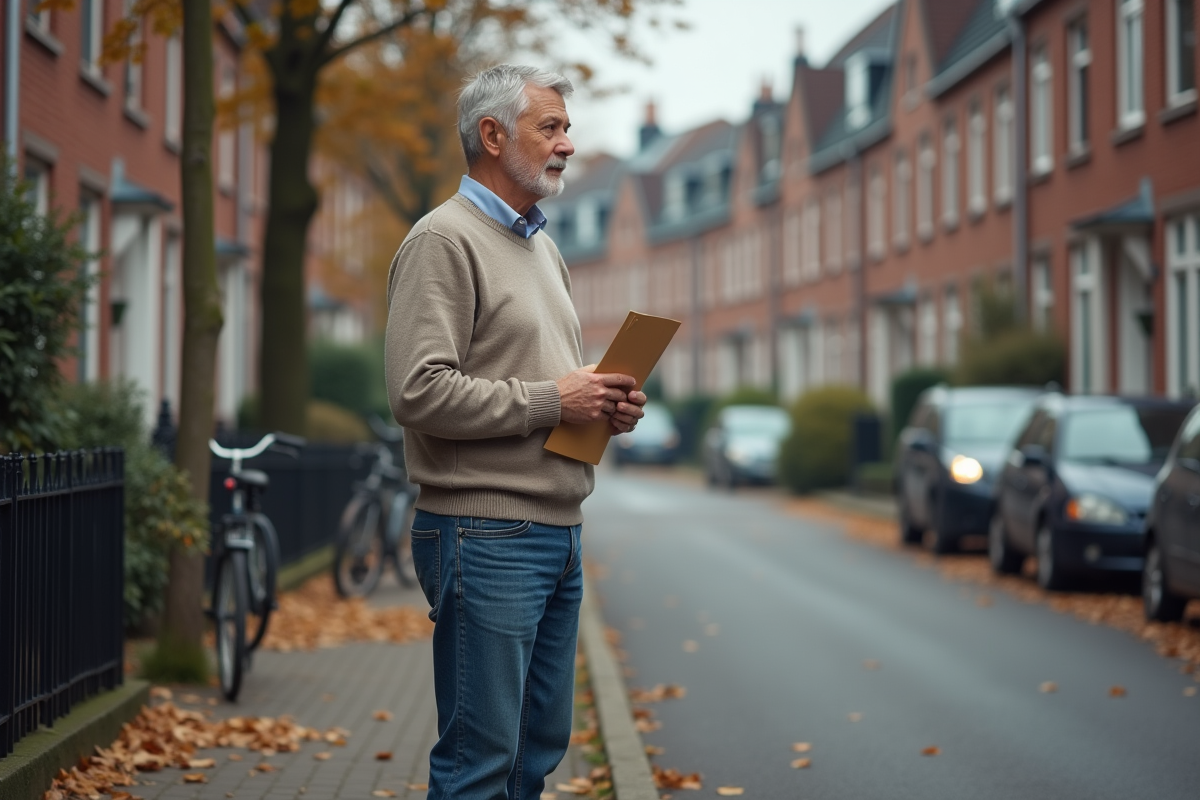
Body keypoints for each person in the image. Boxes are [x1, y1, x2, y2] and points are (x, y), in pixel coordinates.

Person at [384, 64, 646, 800]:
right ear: (492, 136)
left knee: (534, 759)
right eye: (551, 127)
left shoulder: (543, 248)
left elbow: (546, 381)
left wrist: (602, 402)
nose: (568, 143)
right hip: (483, 531)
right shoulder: (443, 241)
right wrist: (549, 400)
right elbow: (417, 391)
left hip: (558, 531)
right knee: (480, 766)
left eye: (568, 127)